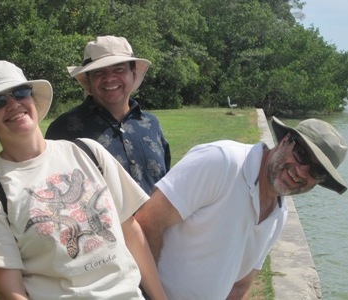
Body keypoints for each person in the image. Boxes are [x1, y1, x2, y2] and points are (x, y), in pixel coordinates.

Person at [0, 60, 166, 300]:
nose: (14, 104)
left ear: (32, 98)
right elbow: (10, 289)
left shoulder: (87, 151)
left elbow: (130, 231)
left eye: (20, 92)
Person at [135, 116, 347, 299]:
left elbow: (239, 287)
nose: (301, 172)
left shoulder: (278, 215)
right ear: (285, 141)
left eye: (316, 172)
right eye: (301, 154)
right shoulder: (222, 162)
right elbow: (145, 223)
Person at [45, 35, 171, 195]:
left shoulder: (151, 124)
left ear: (133, 75)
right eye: (99, 72)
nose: (109, 78)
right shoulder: (63, 130)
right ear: (88, 81)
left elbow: (167, 186)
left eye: (119, 69)